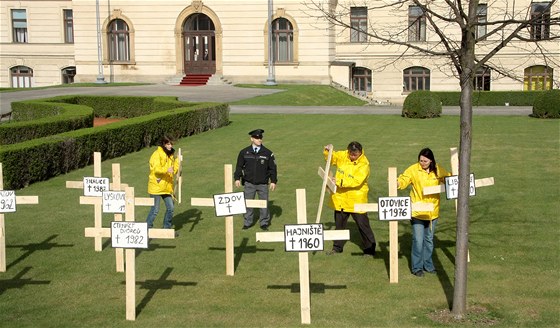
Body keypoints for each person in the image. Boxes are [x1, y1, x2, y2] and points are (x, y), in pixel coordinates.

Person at [397, 148, 450, 277]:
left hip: (432, 213)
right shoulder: (413, 169)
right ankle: (417, 268)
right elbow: (404, 179)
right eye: (420, 160)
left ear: (431, 160)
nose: (422, 163)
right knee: (418, 240)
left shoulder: (437, 169)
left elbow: (449, 179)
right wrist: (397, 183)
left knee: (429, 240)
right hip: (417, 212)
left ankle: (428, 265)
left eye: (425, 161)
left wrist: (456, 175)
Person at [324, 142, 376, 257]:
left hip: (356, 199)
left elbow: (357, 181)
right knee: (339, 225)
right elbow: (332, 159)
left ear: (360, 152)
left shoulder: (364, 164)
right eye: (350, 153)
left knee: (363, 225)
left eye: (355, 154)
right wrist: (328, 152)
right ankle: (337, 248)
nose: (352, 156)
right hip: (341, 199)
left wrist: (338, 182)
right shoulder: (344, 155)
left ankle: (370, 249)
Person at [234, 129, 278, 231]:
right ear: (252, 139)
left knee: (264, 204)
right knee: (248, 204)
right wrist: (237, 178)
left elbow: (273, 168)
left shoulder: (268, 153)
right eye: (257, 138)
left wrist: (273, 181)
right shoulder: (244, 152)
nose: (259, 140)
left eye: (260, 138)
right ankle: (247, 223)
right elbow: (239, 167)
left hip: (263, 184)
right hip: (249, 183)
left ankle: (264, 223)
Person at [146, 136, 180, 230]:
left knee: (171, 208)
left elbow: (174, 170)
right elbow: (156, 169)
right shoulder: (156, 154)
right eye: (168, 144)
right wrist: (166, 170)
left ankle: (166, 228)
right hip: (156, 187)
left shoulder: (171, 155)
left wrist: (178, 161)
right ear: (164, 144)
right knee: (155, 210)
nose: (170, 146)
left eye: (171, 144)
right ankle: (147, 228)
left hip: (166, 187)